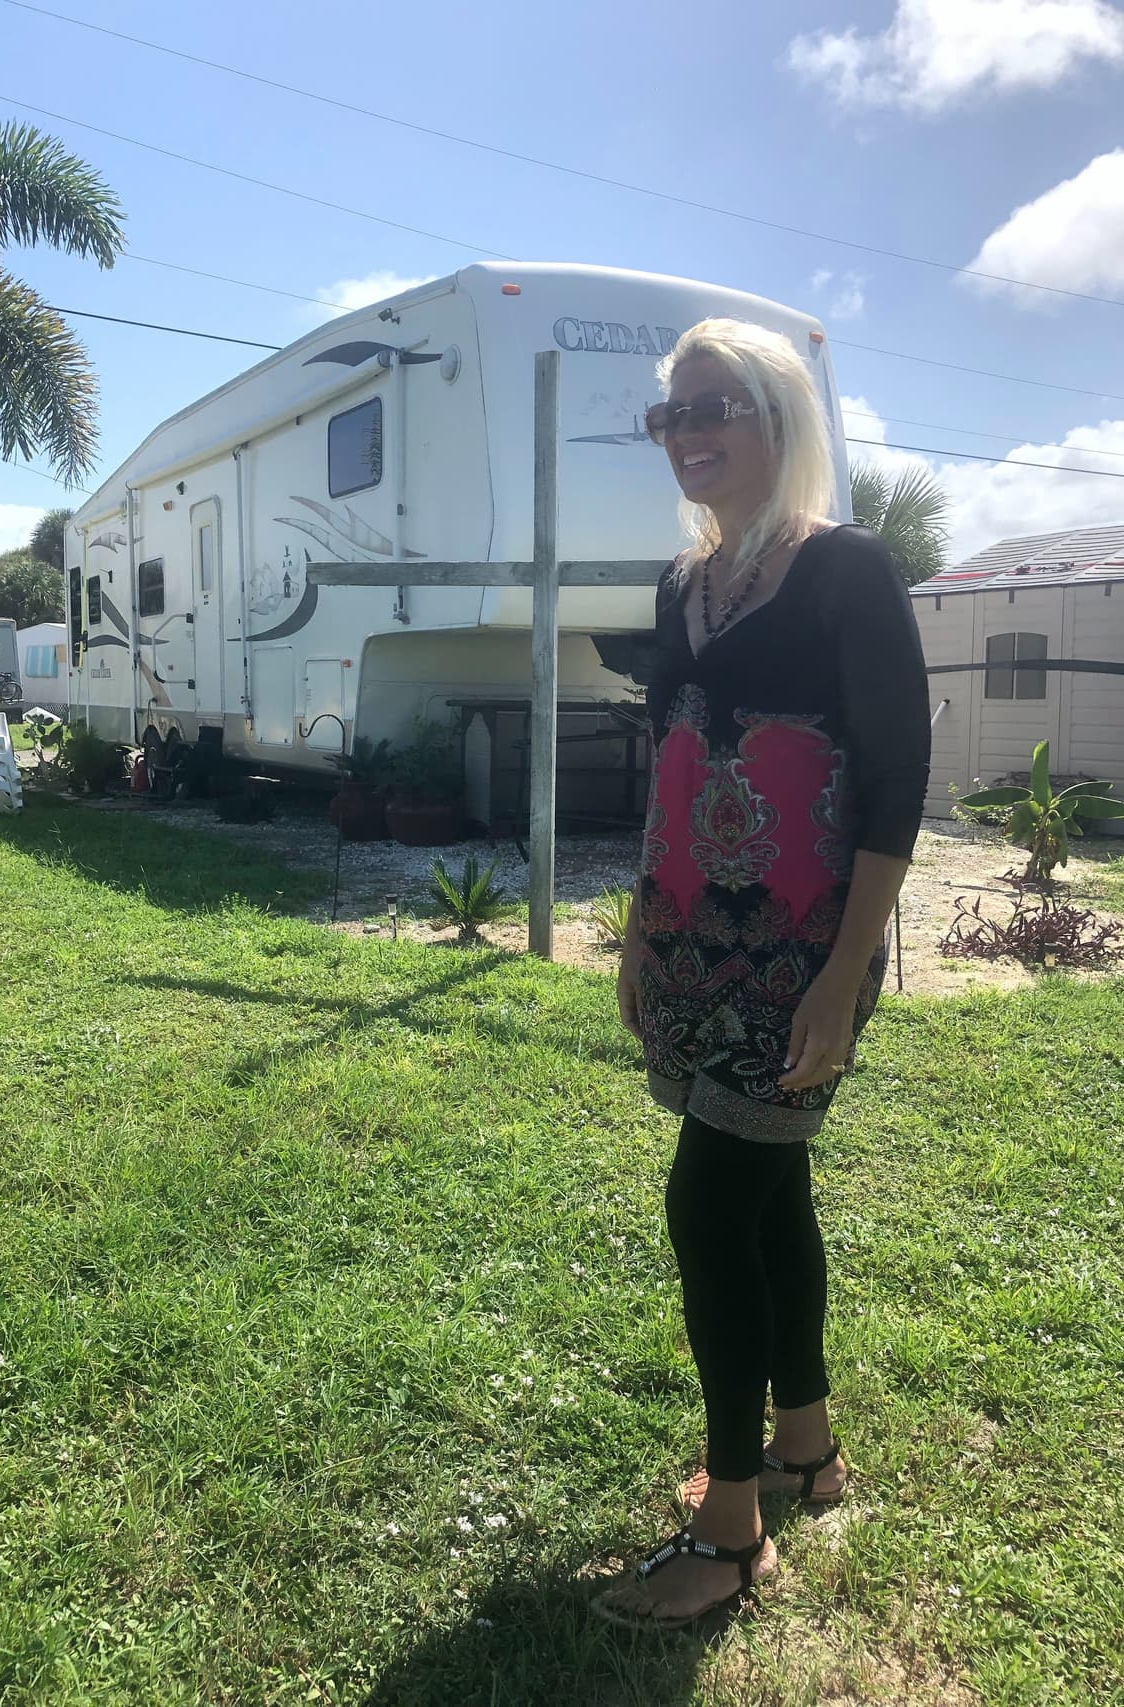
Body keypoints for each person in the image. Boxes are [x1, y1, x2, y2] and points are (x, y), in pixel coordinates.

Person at [591, 317, 930, 1632]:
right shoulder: (683, 587)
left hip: (799, 958)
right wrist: (636, 927)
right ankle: (806, 1447)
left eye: (712, 408)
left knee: (706, 1206)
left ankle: (731, 1539)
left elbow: (897, 782)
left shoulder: (846, 570)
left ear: (779, 419)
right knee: (767, 1189)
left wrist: (846, 976)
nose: (686, 434)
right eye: (669, 416)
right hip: (688, 942)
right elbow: (669, 767)